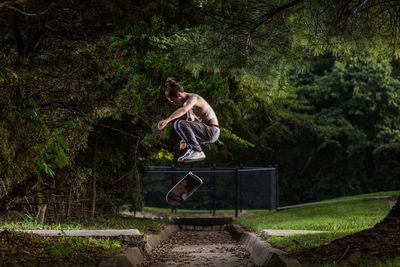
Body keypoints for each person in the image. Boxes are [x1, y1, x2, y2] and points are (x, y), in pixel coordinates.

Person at [157, 77, 220, 163]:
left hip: (212, 130)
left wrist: (167, 120)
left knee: (178, 123)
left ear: (179, 95)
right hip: (207, 131)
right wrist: (185, 138)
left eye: (173, 100)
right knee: (181, 124)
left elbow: (184, 110)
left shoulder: (194, 98)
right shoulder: (187, 103)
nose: (173, 103)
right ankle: (192, 149)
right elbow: (190, 121)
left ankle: (197, 151)